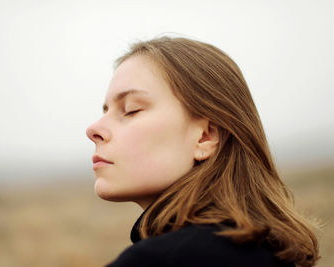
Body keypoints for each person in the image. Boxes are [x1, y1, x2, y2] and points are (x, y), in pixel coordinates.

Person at [86, 36, 319, 267]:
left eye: (130, 110)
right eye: (106, 111)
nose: (94, 129)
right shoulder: (271, 251)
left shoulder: (158, 261)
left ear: (206, 136)